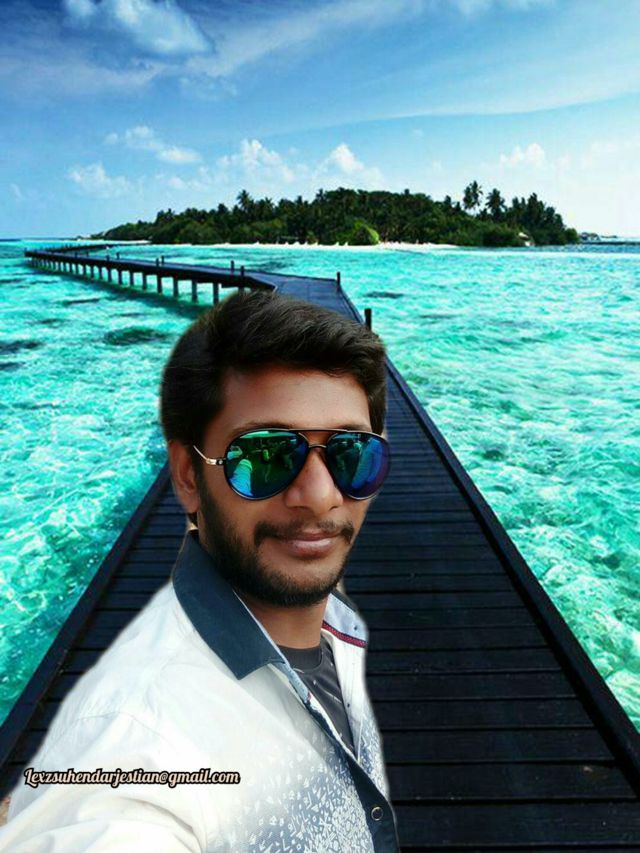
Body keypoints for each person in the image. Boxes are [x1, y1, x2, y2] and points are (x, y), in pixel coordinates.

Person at [0, 289, 398, 852]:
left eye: (351, 454)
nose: (319, 495)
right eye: (264, 455)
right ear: (189, 475)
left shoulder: (335, 624)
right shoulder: (138, 739)